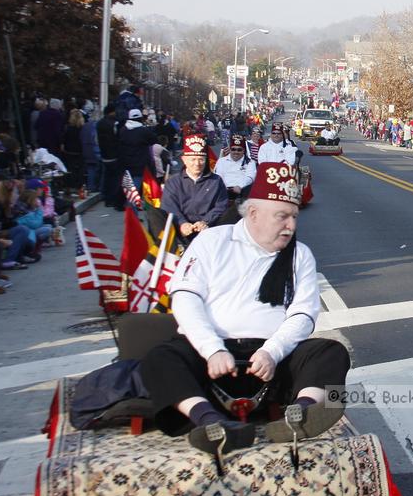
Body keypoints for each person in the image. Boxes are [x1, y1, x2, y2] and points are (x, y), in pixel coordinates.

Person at [140, 162, 350, 458]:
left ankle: (300, 415)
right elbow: (185, 298)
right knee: (159, 358)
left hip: (270, 360)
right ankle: (209, 421)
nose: (291, 225)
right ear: (253, 214)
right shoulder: (212, 241)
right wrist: (212, 349)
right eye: (282, 216)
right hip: (209, 357)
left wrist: (272, 352)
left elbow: (304, 314)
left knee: (331, 353)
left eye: (294, 216)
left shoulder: (300, 255)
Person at [162, 135, 228, 245]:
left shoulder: (216, 181)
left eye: (201, 159)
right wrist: (182, 223)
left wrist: (206, 221)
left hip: (208, 230)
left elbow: (221, 205)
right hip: (180, 232)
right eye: (193, 159)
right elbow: (169, 206)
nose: (197, 164)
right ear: (184, 160)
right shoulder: (173, 182)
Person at [117, 108, 156, 191]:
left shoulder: (123, 130)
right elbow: (154, 140)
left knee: (128, 185)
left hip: (125, 161)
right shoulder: (144, 130)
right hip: (139, 162)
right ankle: (131, 203)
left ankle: (129, 200)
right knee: (136, 184)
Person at [96, 104, 124, 212]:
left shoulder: (99, 124)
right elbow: (118, 137)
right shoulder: (115, 124)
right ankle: (113, 199)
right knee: (115, 179)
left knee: (107, 177)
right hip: (114, 154)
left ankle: (107, 198)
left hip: (104, 154)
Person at [214, 135, 256, 200]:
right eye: (233, 149)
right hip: (224, 191)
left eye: (239, 150)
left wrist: (239, 186)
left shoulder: (250, 162)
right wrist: (223, 187)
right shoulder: (222, 161)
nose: (236, 152)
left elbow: (250, 177)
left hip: (242, 191)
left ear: (243, 151)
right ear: (230, 150)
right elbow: (219, 175)